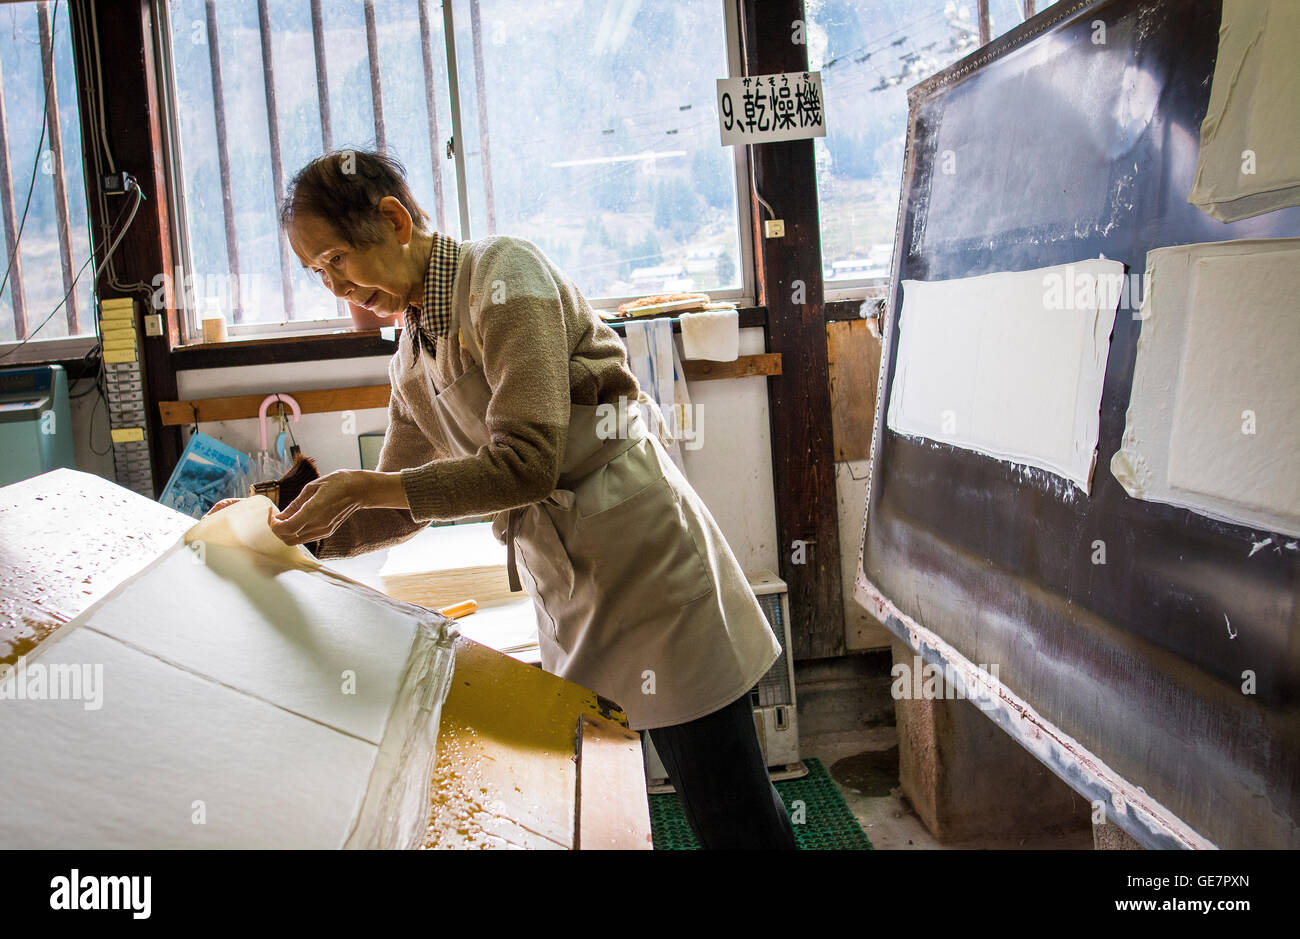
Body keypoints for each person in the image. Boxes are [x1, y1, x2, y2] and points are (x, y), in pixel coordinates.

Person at [261, 149, 797, 849]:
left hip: (647, 566)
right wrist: (285, 531)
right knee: (601, 809)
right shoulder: (412, 352)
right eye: (316, 273)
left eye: (336, 259)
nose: (336, 287)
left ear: (392, 220)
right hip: (569, 588)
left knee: (732, 815)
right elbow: (394, 503)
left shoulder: (504, 277)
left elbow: (527, 462)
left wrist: (366, 485)